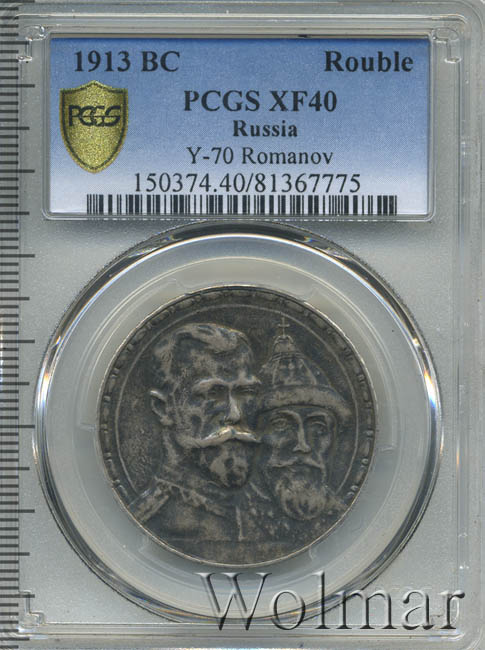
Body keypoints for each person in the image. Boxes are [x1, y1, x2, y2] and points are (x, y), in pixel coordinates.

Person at [130, 323, 262, 560]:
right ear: (163, 409)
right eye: (213, 394)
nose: (235, 415)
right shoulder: (151, 523)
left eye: (245, 393)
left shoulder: (264, 513)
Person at [256, 319, 351, 546]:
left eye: (317, 428)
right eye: (282, 426)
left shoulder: (347, 520)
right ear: (253, 435)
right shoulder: (216, 519)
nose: (302, 445)